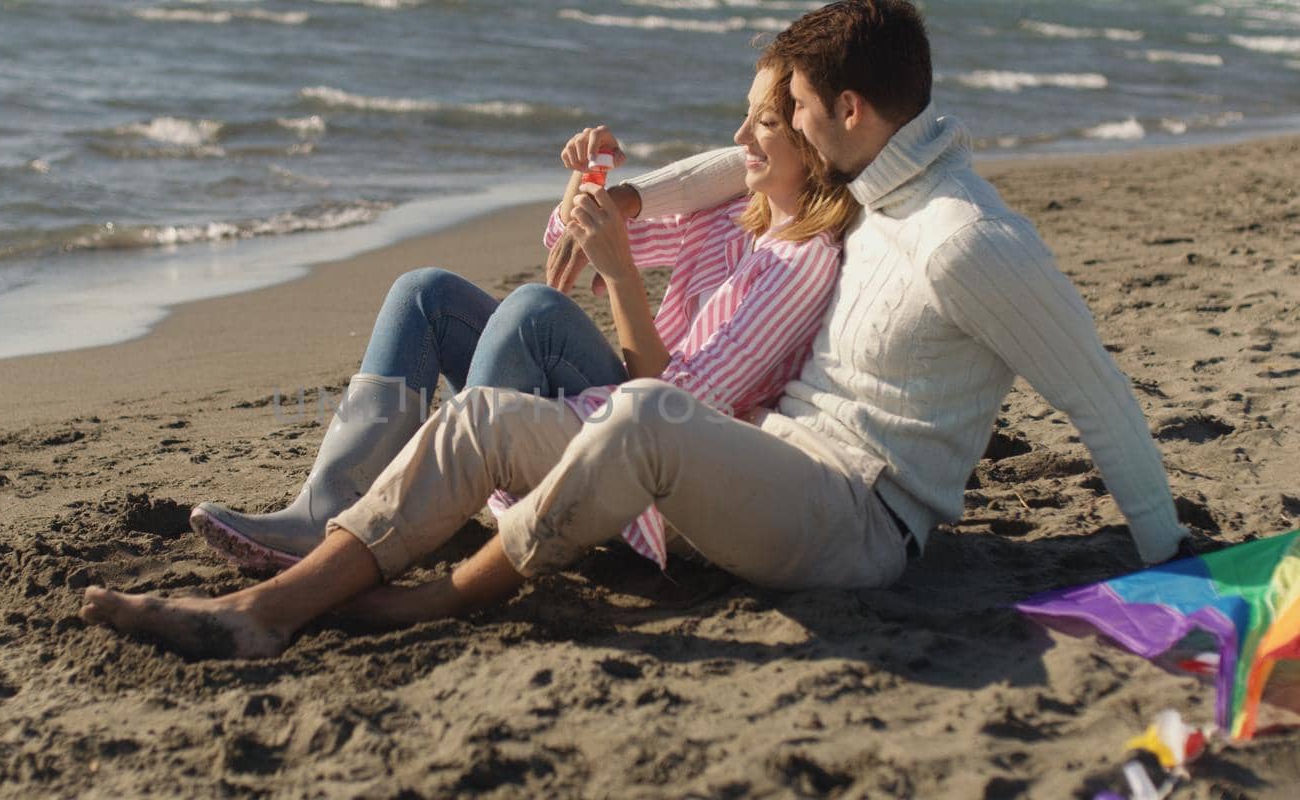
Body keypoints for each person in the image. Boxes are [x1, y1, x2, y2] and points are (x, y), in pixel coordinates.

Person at [81, 0, 1190, 660]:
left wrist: (1178, 572)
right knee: (479, 416)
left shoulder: (961, 237)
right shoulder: (874, 192)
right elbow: (734, 172)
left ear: (847, 115)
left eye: (792, 107)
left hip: (861, 522)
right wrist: (621, 197)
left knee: (645, 406)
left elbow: (1096, 394)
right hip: (762, 476)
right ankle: (262, 609)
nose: (774, 128)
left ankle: (425, 599)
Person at [191, 51, 856, 573]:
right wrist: (590, 178)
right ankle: (325, 509)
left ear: (810, 137)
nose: (740, 135)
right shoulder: (728, 212)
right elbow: (564, 244)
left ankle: (432, 498)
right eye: (745, 115)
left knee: (535, 313)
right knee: (426, 294)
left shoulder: (801, 263)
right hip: (621, 407)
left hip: (648, 463)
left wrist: (622, 275)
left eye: (764, 121)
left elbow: (675, 408)